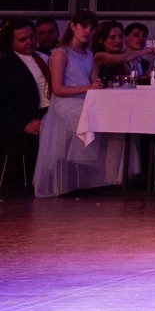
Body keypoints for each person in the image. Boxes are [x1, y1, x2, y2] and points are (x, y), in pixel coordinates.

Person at [34, 10, 126, 196]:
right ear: (72, 26)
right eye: (83, 26)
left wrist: (103, 87)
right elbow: (58, 89)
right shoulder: (61, 53)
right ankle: (106, 179)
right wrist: (88, 88)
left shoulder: (88, 54)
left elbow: (94, 82)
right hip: (66, 103)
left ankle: (111, 178)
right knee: (105, 124)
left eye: (91, 28)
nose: (87, 31)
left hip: (85, 101)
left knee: (119, 123)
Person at [1, 18, 50, 176]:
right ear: (11, 44)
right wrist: (24, 124)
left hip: (54, 110)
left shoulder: (46, 56)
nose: (29, 42)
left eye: (31, 36)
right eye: (22, 39)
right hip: (29, 117)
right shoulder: (5, 67)